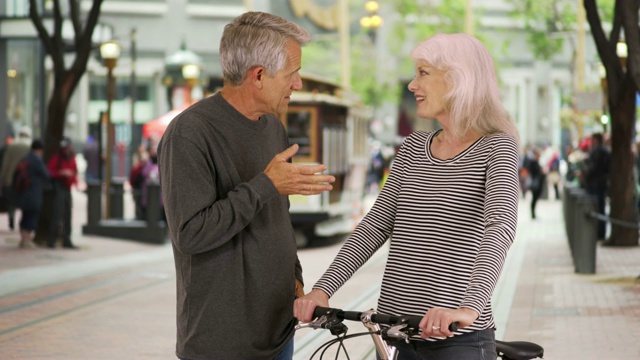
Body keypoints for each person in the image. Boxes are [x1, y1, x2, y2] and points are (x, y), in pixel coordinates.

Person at [294, 33, 520, 360]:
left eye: (423, 73)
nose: (412, 85)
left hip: (456, 340)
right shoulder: (414, 146)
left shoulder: (496, 147)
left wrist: (469, 307)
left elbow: (499, 228)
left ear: (459, 79)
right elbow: (374, 226)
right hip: (395, 334)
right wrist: (322, 289)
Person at [157, 12, 335, 360]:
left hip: (279, 331)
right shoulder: (189, 133)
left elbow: (277, 216)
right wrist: (265, 184)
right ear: (258, 76)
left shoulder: (273, 127)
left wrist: (295, 279)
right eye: (292, 74)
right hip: (222, 343)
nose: (297, 84)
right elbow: (191, 233)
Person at [15, 139, 50, 249]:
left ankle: (23, 238)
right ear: (40, 150)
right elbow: (46, 174)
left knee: (25, 215)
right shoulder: (36, 160)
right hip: (33, 191)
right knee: (32, 215)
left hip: (23, 191)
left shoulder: (25, 158)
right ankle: (27, 239)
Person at [47, 137, 79, 249]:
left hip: (67, 188)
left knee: (67, 214)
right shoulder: (57, 157)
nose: (66, 149)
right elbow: (50, 171)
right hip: (59, 187)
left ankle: (67, 239)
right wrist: (61, 173)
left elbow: (75, 171)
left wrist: (74, 181)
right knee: (57, 214)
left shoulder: (72, 157)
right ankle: (52, 240)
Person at [580, 132, 610, 240]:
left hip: (596, 184)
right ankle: (599, 232)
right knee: (599, 209)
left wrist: (585, 174)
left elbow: (593, 168)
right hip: (599, 184)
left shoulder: (598, 151)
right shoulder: (603, 151)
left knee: (596, 209)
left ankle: (599, 233)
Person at [0, 127, 31, 231]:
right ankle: (23, 224)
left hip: (10, 178)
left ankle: (11, 220)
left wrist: (3, 178)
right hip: (24, 179)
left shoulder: (11, 145)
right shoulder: (29, 146)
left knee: (11, 202)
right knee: (24, 203)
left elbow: (5, 163)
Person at [525, 147, 545, 219]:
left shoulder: (537, 162)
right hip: (535, 183)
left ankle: (534, 213)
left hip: (537, 183)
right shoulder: (533, 162)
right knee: (534, 199)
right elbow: (533, 172)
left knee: (535, 199)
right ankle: (533, 213)